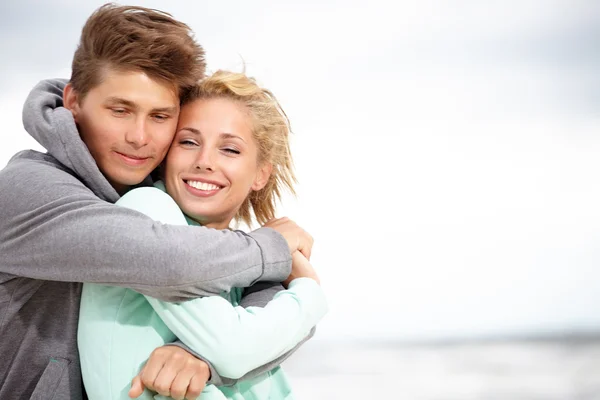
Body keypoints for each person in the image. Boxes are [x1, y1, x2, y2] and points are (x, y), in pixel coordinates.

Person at [0, 4, 313, 400]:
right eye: (120, 110)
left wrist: (201, 355)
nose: (139, 137)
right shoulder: (27, 191)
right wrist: (276, 248)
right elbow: (170, 262)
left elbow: (257, 304)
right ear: (74, 101)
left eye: (161, 116)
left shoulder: (158, 182)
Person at [79, 70, 327, 400]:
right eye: (189, 142)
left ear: (260, 174)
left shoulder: (237, 266)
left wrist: (198, 356)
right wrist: (308, 290)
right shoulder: (146, 210)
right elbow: (234, 349)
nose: (204, 161)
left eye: (230, 149)